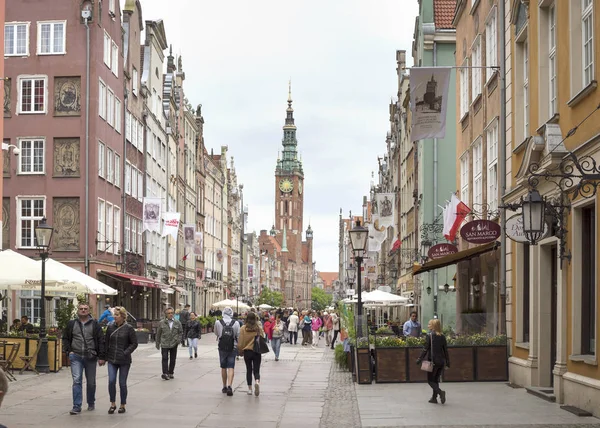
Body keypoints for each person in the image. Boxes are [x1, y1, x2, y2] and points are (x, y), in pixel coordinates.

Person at [62, 302, 106, 415]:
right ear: (78, 310)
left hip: (90, 356)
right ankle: (76, 406)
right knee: (77, 381)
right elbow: (65, 338)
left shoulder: (95, 324)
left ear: (89, 311)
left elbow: (101, 340)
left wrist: (101, 356)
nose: (83, 310)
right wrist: (68, 351)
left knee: (91, 382)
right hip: (76, 356)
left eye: (85, 309)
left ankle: (91, 402)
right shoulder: (72, 324)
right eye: (81, 308)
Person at [104, 306, 138, 415]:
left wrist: (125, 352)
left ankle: (122, 404)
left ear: (123, 316)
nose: (115, 316)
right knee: (111, 381)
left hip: (124, 360)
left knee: (122, 383)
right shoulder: (110, 327)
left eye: (117, 315)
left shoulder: (129, 328)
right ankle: (112, 403)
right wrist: (103, 357)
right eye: (114, 314)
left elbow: (134, 343)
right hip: (112, 359)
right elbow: (106, 342)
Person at [417, 319, 450, 404]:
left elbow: (425, 349)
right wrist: (448, 362)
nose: (428, 326)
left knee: (430, 380)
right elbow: (445, 350)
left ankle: (440, 392)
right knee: (435, 380)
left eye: (429, 324)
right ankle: (434, 398)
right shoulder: (442, 336)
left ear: (433, 326)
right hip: (441, 362)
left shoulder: (430, 335)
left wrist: (420, 359)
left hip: (432, 361)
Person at [214, 307, 240, 396]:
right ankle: (230, 386)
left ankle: (224, 386)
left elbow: (216, 333)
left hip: (222, 347)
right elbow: (238, 335)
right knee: (231, 367)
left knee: (223, 367)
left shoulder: (218, 322)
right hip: (233, 346)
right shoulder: (236, 323)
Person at [237, 311, 263, 396]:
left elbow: (240, 341)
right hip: (256, 351)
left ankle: (249, 389)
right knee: (256, 369)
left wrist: (240, 351)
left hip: (247, 352)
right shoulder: (258, 328)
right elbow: (262, 338)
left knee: (248, 369)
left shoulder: (243, 328)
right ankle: (257, 382)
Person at [155, 307, 183, 380]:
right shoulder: (162, 323)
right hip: (165, 343)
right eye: (169, 313)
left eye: (171, 313)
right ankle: (165, 373)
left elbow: (180, 332)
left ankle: (171, 372)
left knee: (173, 359)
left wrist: (178, 340)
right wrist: (157, 343)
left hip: (174, 343)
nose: (170, 314)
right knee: (164, 358)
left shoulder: (177, 322)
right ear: (166, 314)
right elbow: (158, 333)